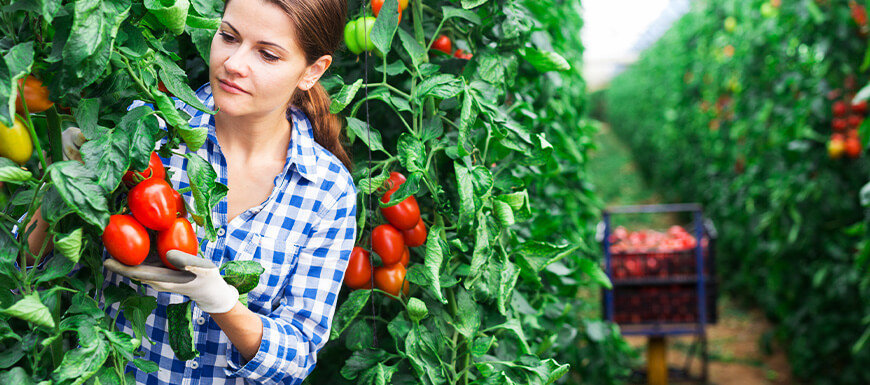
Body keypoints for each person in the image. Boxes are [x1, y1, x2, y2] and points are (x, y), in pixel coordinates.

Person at [31, 0, 357, 383]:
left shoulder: (327, 189)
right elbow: (23, 266)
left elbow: (298, 356)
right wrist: (65, 184)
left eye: (267, 54)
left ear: (312, 71)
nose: (234, 63)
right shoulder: (142, 132)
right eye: (228, 36)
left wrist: (222, 302)